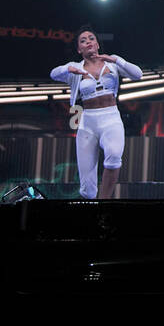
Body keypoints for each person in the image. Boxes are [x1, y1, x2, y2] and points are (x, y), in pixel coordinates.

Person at [50, 27, 142, 199]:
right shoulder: (76, 68)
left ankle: (104, 201)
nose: (88, 42)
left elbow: (138, 74)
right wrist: (69, 69)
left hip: (111, 118)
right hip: (88, 123)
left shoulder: (111, 64)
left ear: (97, 44)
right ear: (79, 49)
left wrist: (116, 59)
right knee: (87, 186)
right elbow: (53, 74)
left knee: (114, 157)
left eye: (91, 38)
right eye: (83, 41)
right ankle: (91, 206)